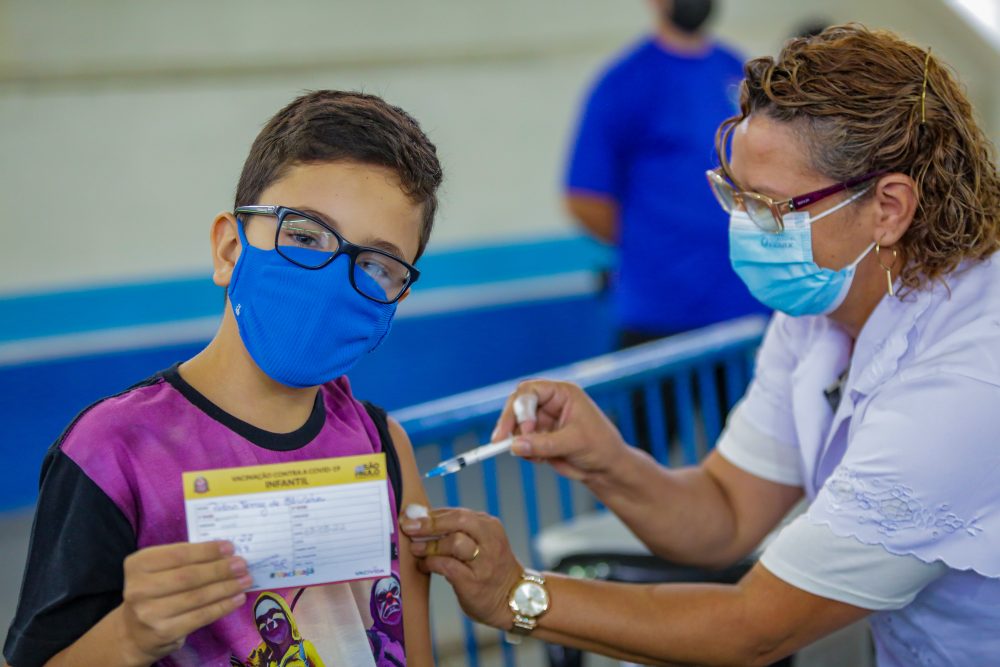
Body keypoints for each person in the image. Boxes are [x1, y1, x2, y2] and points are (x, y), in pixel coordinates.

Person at [402, 25, 1000, 665]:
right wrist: (607, 460)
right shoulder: (821, 310)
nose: (743, 228)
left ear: (888, 208)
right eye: (733, 195)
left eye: (771, 208)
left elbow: (753, 626)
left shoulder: (965, 384)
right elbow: (726, 514)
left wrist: (514, 595)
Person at [3, 90, 443, 667]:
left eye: (376, 264)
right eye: (305, 235)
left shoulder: (382, 445)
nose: (332, 282)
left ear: (399, 294)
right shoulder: (114, 452)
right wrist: (133, 634)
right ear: (231, 248)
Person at [564, 0, 767, 348]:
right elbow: (584, 197)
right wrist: (652, 243)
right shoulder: (624, 82)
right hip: (658, 313)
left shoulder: (735, 70)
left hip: (742, 306)